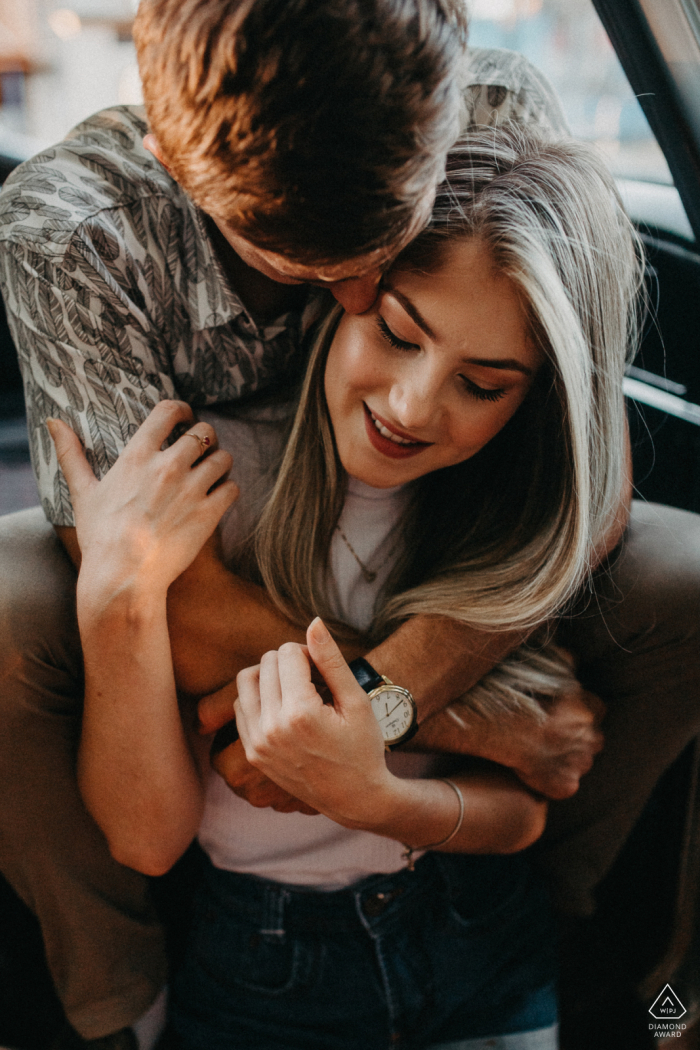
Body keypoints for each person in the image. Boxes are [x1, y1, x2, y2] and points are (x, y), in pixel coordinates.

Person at [0, 0, 593, 1043]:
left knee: (681, 586)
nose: (360, 293)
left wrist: (389, 731)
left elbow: (588, 481)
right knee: (11, 613)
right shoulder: (72, 230)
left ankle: (623, 950)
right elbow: (163, 595)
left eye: (394, 244)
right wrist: (458, 718)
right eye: (315, 271)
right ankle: (112, 994)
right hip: (201, 527)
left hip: (434, 530)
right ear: (168, 161)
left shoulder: (490, 106)